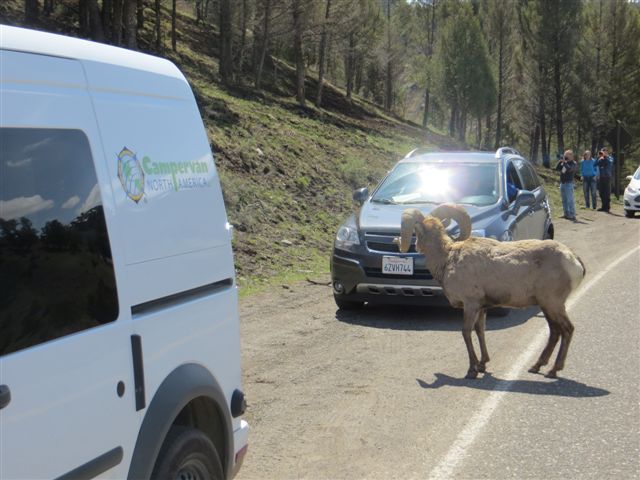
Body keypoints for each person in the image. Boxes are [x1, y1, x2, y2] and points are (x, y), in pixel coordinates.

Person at [556, 149, 577, 220]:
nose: (565, 157)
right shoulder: (564, 162)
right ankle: (566, 214)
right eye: (565, 155)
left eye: (567, 155)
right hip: (562, 183)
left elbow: (569, 169)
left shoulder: (573, 163)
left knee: (570, 200)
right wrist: (560, 162)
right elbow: (557, 169)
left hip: (568, 184)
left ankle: (572, 214)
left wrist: (565, 162)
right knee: (564, 200)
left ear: (571, 155)